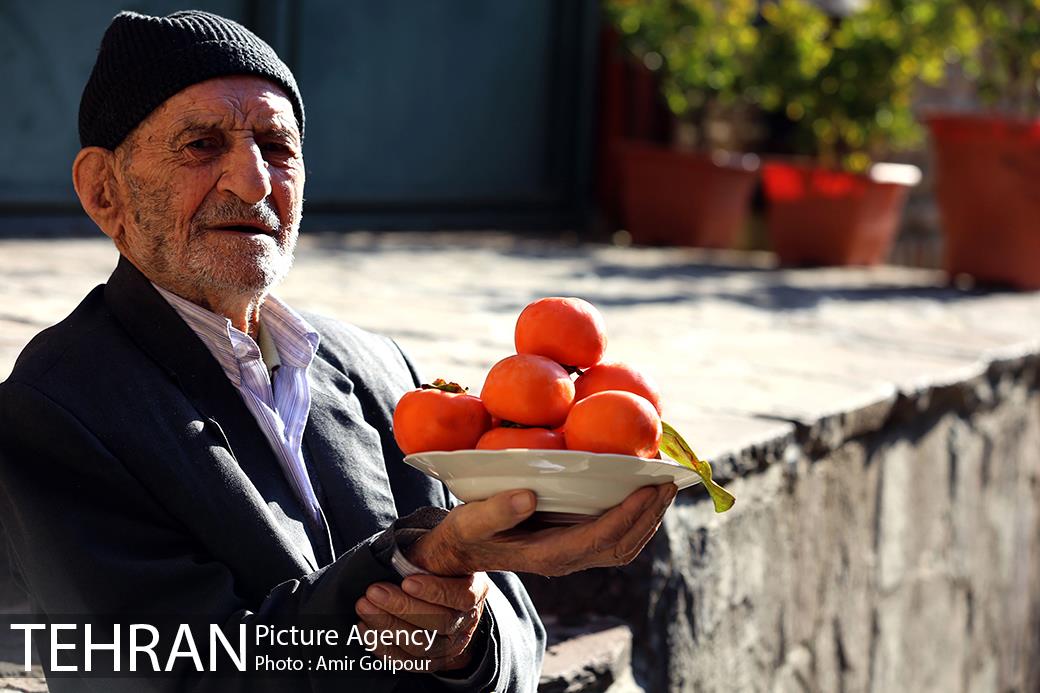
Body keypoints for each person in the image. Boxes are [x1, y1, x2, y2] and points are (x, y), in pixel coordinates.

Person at [0, 10, 676, 692]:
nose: (255, 181)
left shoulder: (382, 370)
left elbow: (518, 634)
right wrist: (413, 568)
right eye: (202, 144)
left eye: (276, 145)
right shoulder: (57, 408)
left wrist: (464, 646)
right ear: (104, 191)